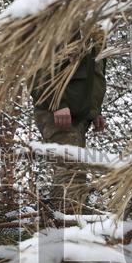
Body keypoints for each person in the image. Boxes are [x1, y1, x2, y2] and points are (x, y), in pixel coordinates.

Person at [31, 47, 107, 216]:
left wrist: (95, 112)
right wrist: (57, 103)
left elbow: (94, 75)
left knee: (76, 171)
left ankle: (71, 221)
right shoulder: (63, 31)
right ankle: (65, 222)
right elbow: (38, 69)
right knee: (69, 169)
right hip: (57, 111)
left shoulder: (96, 36)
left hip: (78, 115)